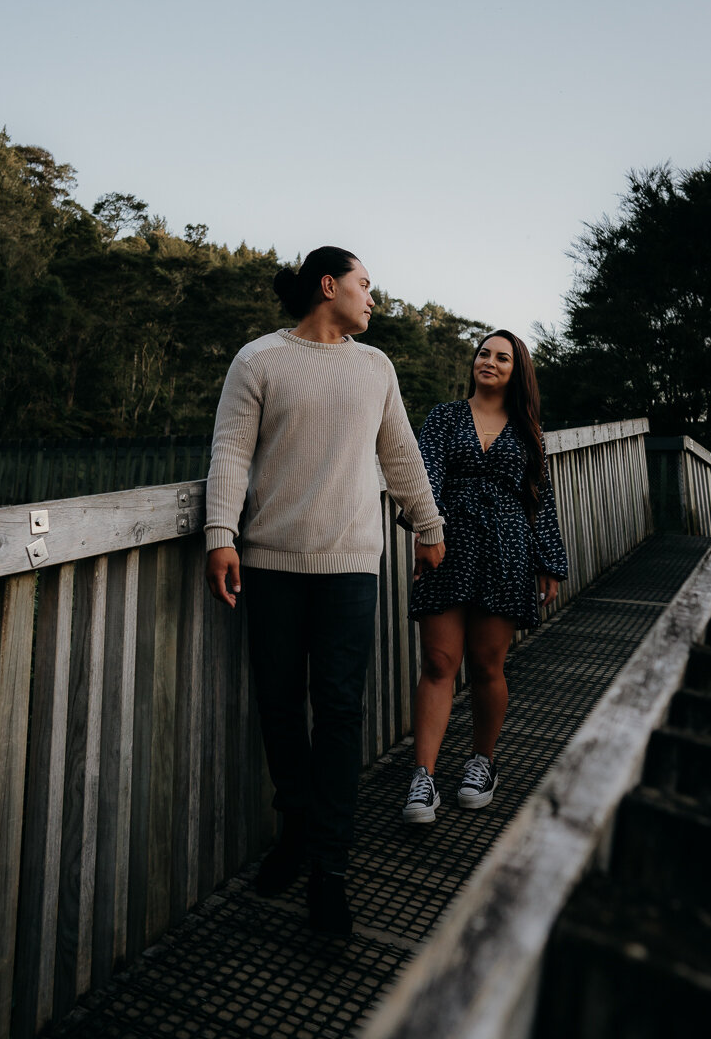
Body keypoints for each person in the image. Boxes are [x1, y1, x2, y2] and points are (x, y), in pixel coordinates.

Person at [205, 247, 445, 936]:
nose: (373, 297)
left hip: (350, 569)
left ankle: (328, 872)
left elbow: (401, 454)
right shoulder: (258, 360)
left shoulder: (375, 368)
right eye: (365, 284)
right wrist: (221, 532)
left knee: (338, 714)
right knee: (279, 707)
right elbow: (230, 453)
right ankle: (296, 827)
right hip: (271, 564)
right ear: (328, 284)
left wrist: (428, 525)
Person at [402, 329, 568, 823]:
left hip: (508, 551)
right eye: (483, 353)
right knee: (437, 662)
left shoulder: (528, 429)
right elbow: (423, 474)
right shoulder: (444, 416)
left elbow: (542, 498)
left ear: (518, 372)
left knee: (486, 665)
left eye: (502, 357)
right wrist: (424, 530)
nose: (489, 362)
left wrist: (548, 562)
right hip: (447, 546)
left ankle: (482, 762)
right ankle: (423, 778)